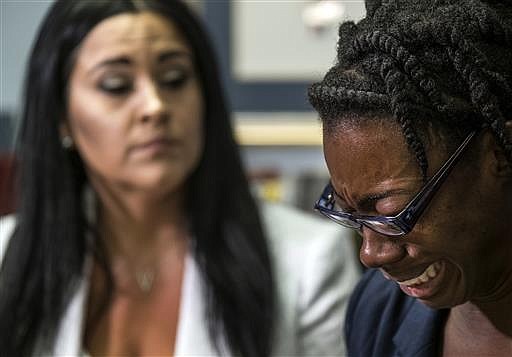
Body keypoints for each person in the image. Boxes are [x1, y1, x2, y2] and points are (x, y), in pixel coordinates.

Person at [0, 1, 361, 356]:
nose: (155, 106)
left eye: (175, 79)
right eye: (116, 85)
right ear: (61, 115)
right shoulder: (5, 256)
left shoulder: (307, 260)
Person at [308, 0, 512, 355]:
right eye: (351, 214)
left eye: (392, 212)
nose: (370, 255)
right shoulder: (379, 309)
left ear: (499, 155)